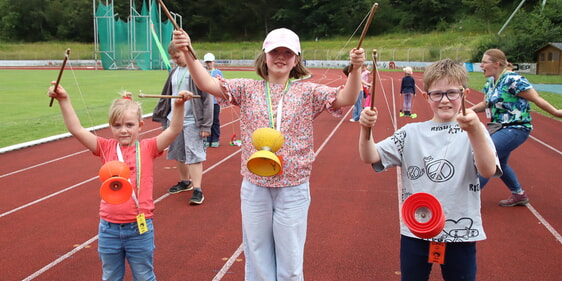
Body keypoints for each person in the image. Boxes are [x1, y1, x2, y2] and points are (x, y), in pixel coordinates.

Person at [173, 27, 365, 280]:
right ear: (265, 55)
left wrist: (356, 68)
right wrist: (187, 51)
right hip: (255, 185)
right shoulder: (247, 88)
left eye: (288, 52)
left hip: (293, 186)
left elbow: (347, 97)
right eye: (275, 51)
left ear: (297, 59)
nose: (281, 57)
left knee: (290, 258)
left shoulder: (308, 92)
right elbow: (206, 83)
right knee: (257, 253)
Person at [358, 59, 501, 281]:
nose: (444, 100)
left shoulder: (475, 130)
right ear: (425, 96)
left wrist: (474, 131)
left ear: (464, 94)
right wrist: (365, 129)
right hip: (416, 229)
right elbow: (370, 156)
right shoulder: (411, 132)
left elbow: (488, 170)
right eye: (437, 94)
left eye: (452, 93)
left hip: (460, 231)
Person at [48, 83, 192, 280]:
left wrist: (178, 106)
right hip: (109, 228)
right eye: (117, 126)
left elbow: (174, 130)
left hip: (140, 229)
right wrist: (64, 100)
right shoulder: (105, 147)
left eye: (129, 125)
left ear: (140, 125)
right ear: (110, 126)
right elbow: (76, 129)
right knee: (111, 276)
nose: (123, 130)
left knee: (143, 275)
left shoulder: (149, 147)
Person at [470, 48, 562, 207]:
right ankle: (519, 194)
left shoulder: (513, 80)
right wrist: (465, 112)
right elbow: (486, 103)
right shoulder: (491, 81)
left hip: (516, 128)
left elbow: (536, 99)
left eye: (484, 62)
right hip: (498, 127)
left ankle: (469, 199)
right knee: (502, 164)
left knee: (488, 156)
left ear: (497, 64)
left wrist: (555, 112)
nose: (481, 65)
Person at [152, 43, 214, 205]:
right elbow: (167, 94)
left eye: (177, 57)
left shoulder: (198, 71)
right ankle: (184, 181)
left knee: (194, 155)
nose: (175, 60)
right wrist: (164, 117)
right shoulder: (174, 72)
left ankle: (197, 189)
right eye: (173, 58)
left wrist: (206, 125)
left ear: (186, 53)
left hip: (193, 120)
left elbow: (207, 99)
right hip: (175, 120)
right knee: (178, 152)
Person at [203, 52, 224, 148]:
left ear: (214, 62)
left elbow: (222, 86)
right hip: (205, 102)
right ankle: (207, 138)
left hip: (215, 101)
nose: (208, 64)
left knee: (215, 120)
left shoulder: (218, 73)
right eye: (207, 62)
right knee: (207, 120)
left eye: (210, 62)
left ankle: (215, 138)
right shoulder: (203, 72)